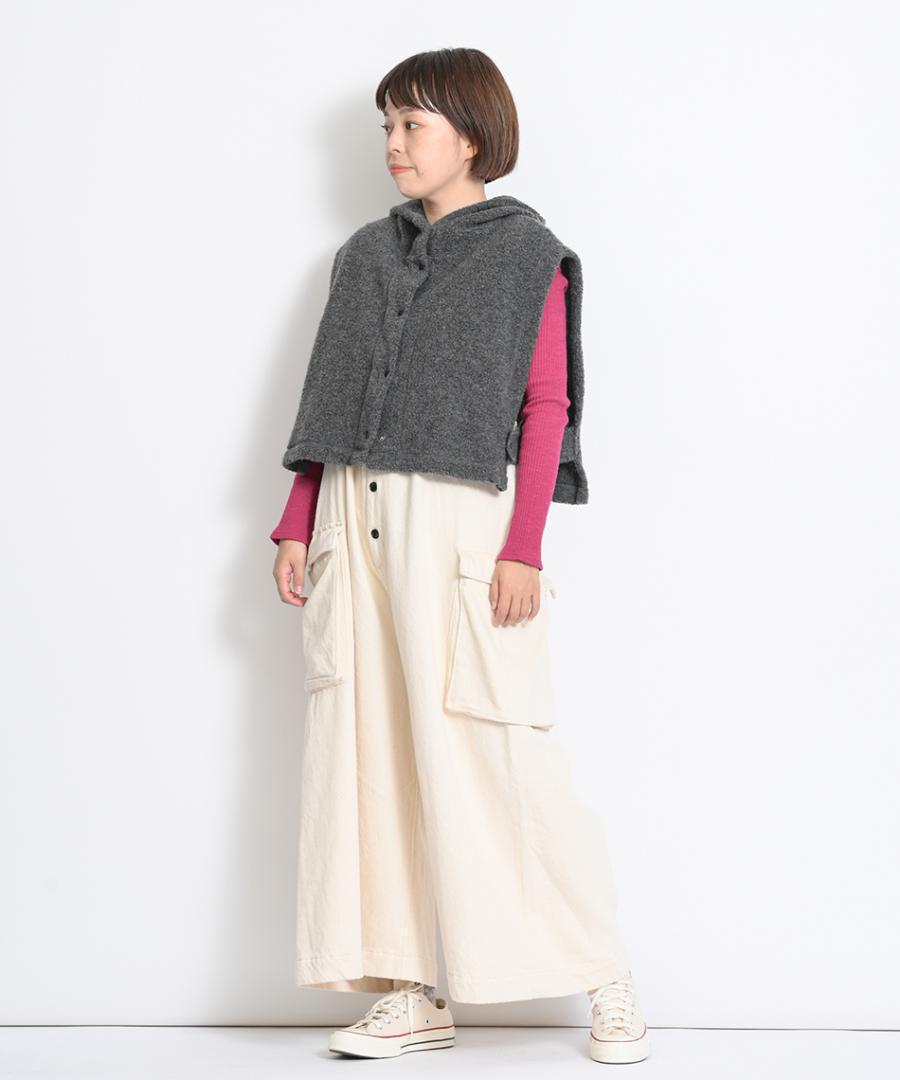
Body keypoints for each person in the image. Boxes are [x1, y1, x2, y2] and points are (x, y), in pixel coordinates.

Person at [269, 47, 650, 1065]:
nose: (393, 144)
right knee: (369, 756)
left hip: (458, 526)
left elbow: (545, 407)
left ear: (472, 136)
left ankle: (604, 970)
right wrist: (299, 520)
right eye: (387, 126)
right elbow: (329, 399)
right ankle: (410, 990)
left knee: (497, 756)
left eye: (413, 125)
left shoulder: (529, 256)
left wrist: (524, 547)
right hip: (354, 516)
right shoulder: (363, 255)